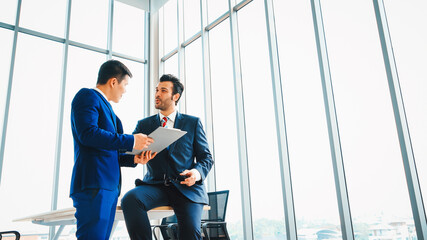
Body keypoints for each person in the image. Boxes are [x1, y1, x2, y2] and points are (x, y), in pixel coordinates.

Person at [70, 60, 157, 240]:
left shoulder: (112, 115)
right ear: (113, 82)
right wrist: (132, 140)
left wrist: (134, 159)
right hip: (94, 183)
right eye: (124, 85)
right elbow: (88, 133)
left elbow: (111, 152)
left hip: (109, 187)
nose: (125, 90)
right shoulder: (87, 96)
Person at [121, 74, 214, 240]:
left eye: (163, 90)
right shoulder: (144, 125)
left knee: (190, 233)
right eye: (157, 90)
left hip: (186, 188)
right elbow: (128, 154)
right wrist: (136, 158)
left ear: (175, 96)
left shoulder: (192, 123)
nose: (157, 94)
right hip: (155, 186)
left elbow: (206, 157)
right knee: (130, 199)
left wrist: (196, 174)